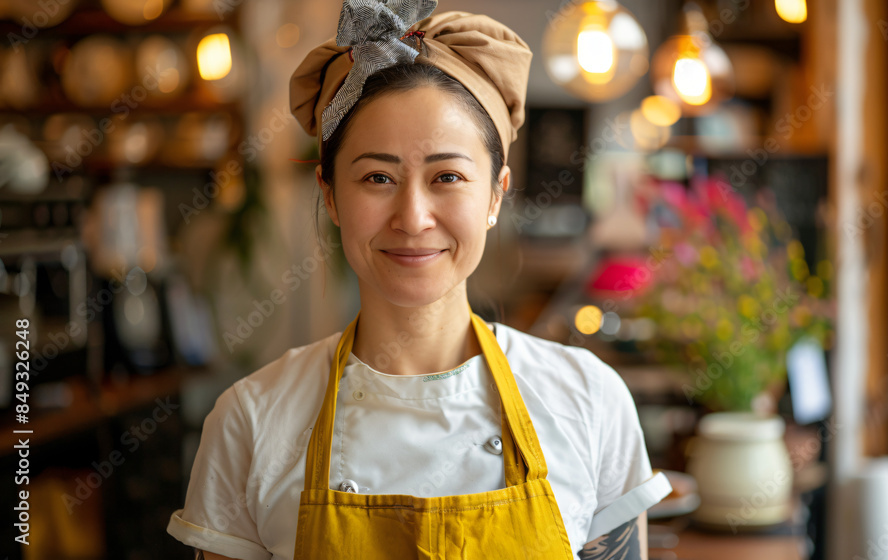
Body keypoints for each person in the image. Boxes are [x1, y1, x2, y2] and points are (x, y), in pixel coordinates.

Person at [166, 1, 670, 558]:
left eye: (447, 176)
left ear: (496, 194)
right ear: (330, 195)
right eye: (377, 177)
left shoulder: (589, 401)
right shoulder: (251, 421)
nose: (412, 217)